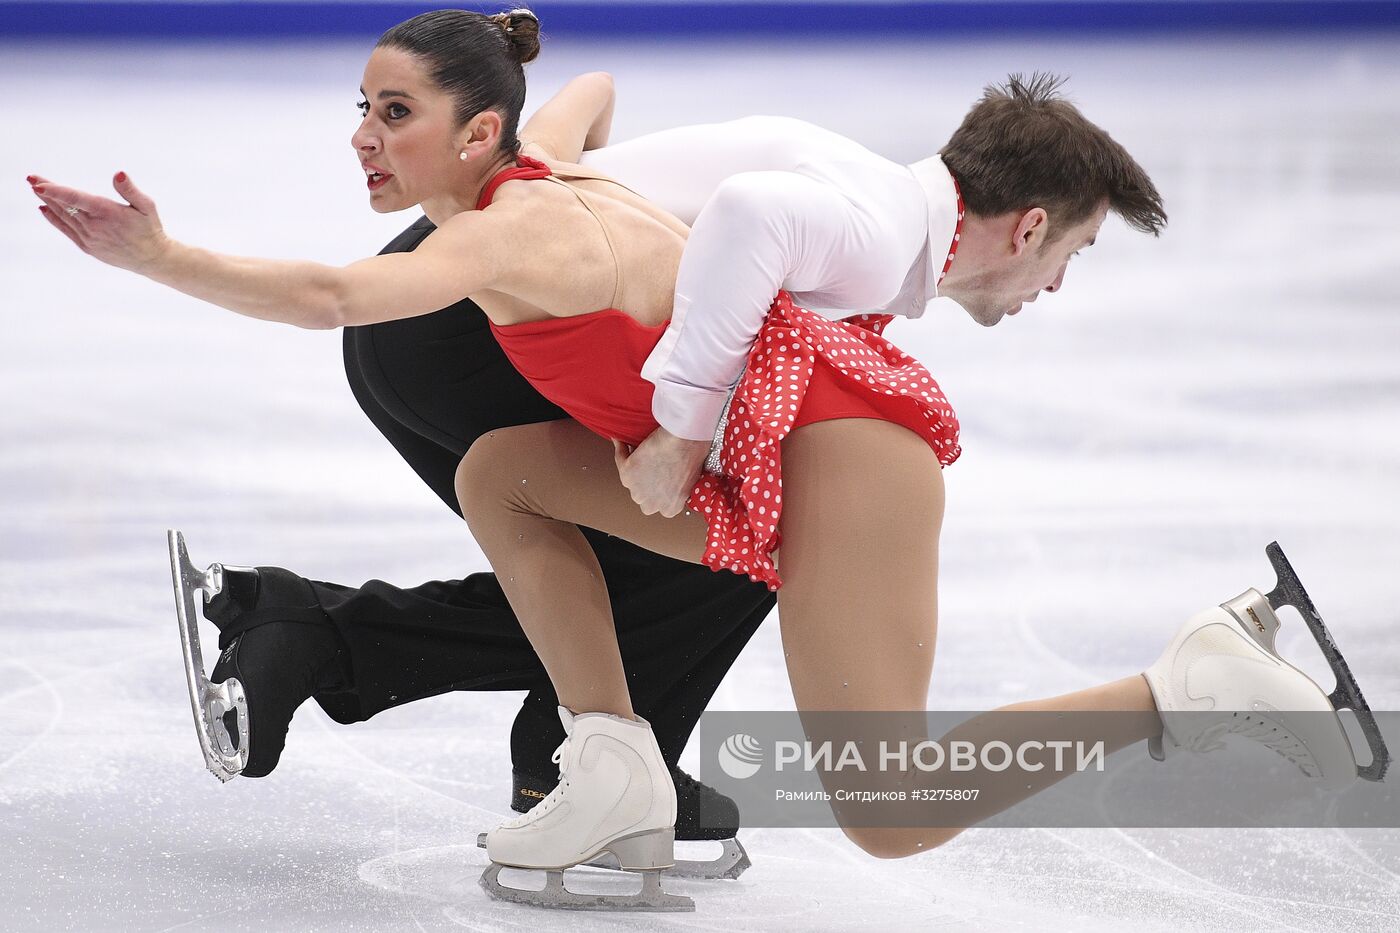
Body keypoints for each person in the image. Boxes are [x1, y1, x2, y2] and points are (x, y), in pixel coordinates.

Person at [31, 7, 1379, 913]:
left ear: (480, 133)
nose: (362, 141)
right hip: (803, 428)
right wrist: (678, 411)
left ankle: (1184, 680)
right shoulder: (543, 199)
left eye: (393, 113)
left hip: (844, 444)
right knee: (511, 476)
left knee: (889, 809)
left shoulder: (539, 219)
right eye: (366, 111)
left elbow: (720, 201)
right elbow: (685, 185)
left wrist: (676, 417)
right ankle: (608, 762)